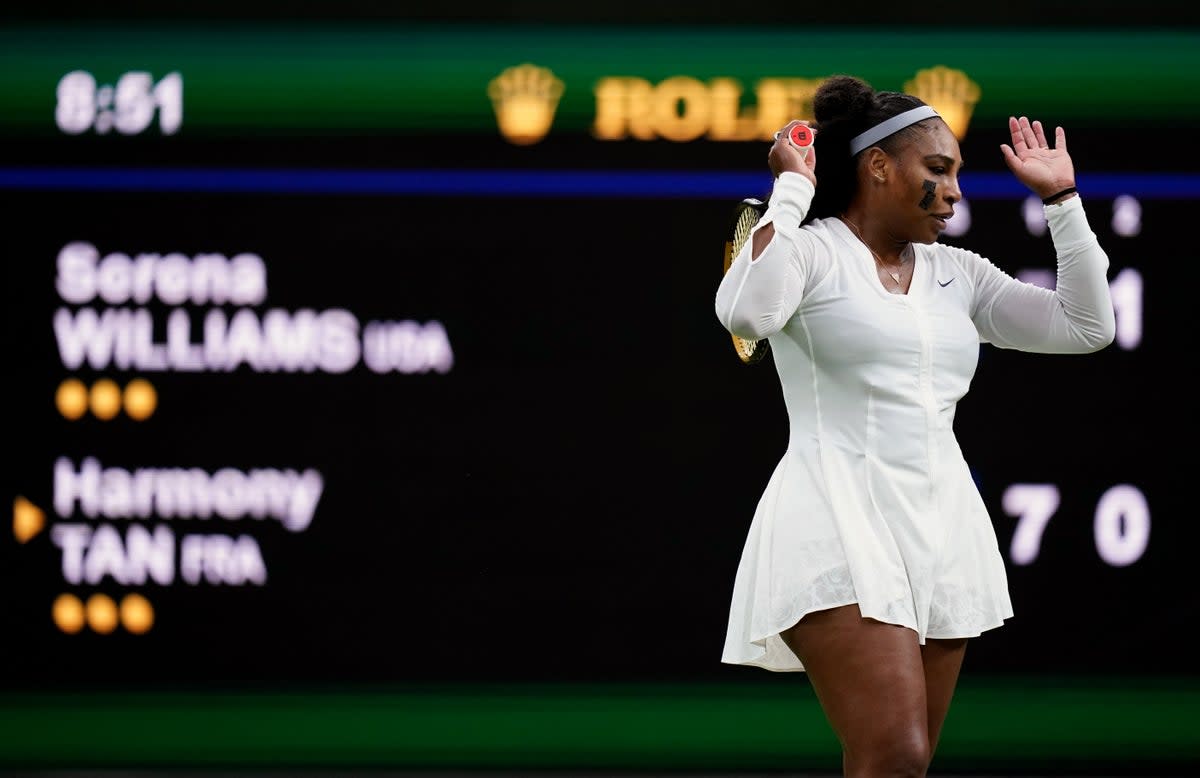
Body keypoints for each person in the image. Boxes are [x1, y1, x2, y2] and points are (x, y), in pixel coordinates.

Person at [714, 74, 1115, 777]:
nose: (956, 192)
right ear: (877, 166)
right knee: (894, 753)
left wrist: (1061, 201)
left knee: (900, 764)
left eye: (957, 174)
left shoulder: (959, 274)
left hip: (942, 529)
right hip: (831, 516)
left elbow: (1086, 326)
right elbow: (746, 314)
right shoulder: (810, 252)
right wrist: (792, 190)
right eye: (938, 170)